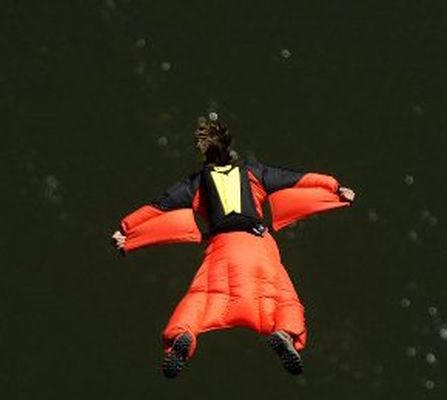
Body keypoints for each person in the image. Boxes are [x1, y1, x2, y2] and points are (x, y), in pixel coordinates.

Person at [112, 114, 355, 378]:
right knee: (284, 298)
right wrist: (336, 187)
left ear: (205, 155)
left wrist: (126, 229)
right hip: (259, 245)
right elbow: (297, 179)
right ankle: (285, 333)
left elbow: (158, 206)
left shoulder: (196, 183)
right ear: (230, 150)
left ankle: (181, 338)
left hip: (223, 248)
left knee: (201, 297)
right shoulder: (254, 173)